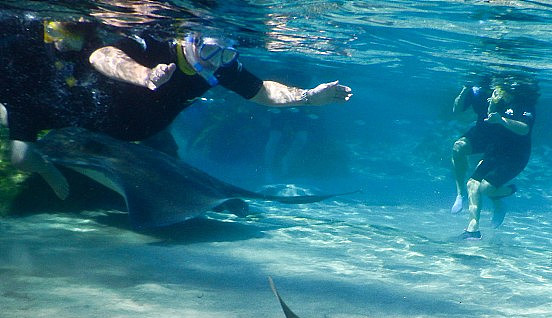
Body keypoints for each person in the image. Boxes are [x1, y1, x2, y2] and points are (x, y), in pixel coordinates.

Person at [87, 32, 352, 145]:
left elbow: (262, 91)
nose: (213, 62)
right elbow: (101, 55)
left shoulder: (222, 68)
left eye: (225, 54)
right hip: (95, 118)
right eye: (209, 51)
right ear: (189, 41)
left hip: (140, 135)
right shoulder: (156, 43)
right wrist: (144, 75)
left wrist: (308, 97)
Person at [0, 15, 108, 199]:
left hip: (34, 96)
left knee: (22, 159)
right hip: (15, 87)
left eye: (69, 35)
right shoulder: (25, 28)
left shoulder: (89, 46)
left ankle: (46, 168)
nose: (60, 41)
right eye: (55, 32)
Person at [450, 77, 537, 240]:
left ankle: (509, 190)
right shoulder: (496, 101)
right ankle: (473, 230)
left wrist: (501, 120)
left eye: (504, 90)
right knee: (472, 184)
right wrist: (492, 105)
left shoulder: (524, 104)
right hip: (495, 149)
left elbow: (525, 129)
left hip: (516, 156)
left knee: (485, 188)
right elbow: (488, 121)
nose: (500, 92)